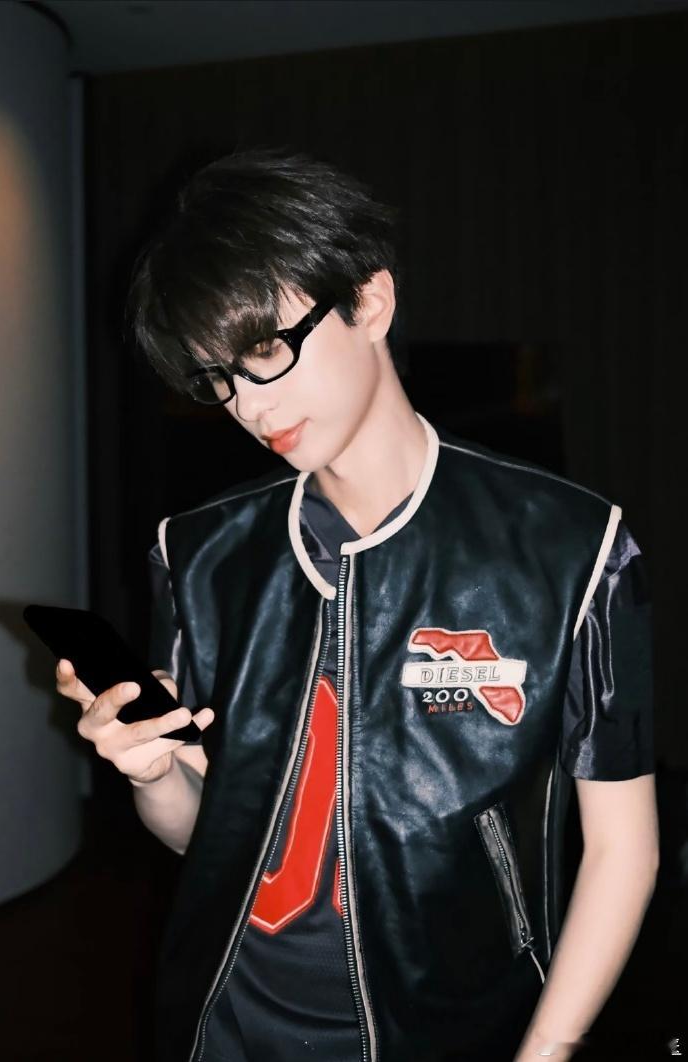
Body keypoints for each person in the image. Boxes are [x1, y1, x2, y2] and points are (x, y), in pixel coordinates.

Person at [57, 147, 659, 1062]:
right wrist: (150, 775)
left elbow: (624, 850)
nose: (246, 405)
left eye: (265, 350)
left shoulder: (572, 547)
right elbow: (206, 839)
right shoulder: (201, 554)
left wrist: (546, 1052)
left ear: (370, 302)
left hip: (454, 1027)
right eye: (217, 377)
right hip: (227, 1024)